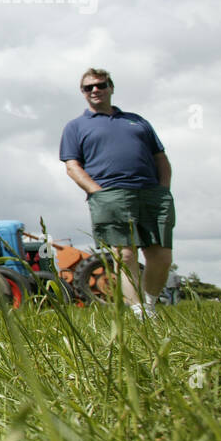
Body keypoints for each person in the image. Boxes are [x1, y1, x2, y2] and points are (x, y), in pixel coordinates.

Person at [59, 68, 174, 317]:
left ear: (110, 87)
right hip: (109, 193)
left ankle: (151, 304)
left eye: (100, 85)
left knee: (161, 256)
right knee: (125, 253)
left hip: (151, 192)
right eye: (88, 88)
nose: (95, 90)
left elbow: (160, 158)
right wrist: (97, 192)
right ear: (82, 92)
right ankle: (139, 313)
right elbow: (72, 166)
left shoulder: (137, 121)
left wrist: (163, 190)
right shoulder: (75, 127)